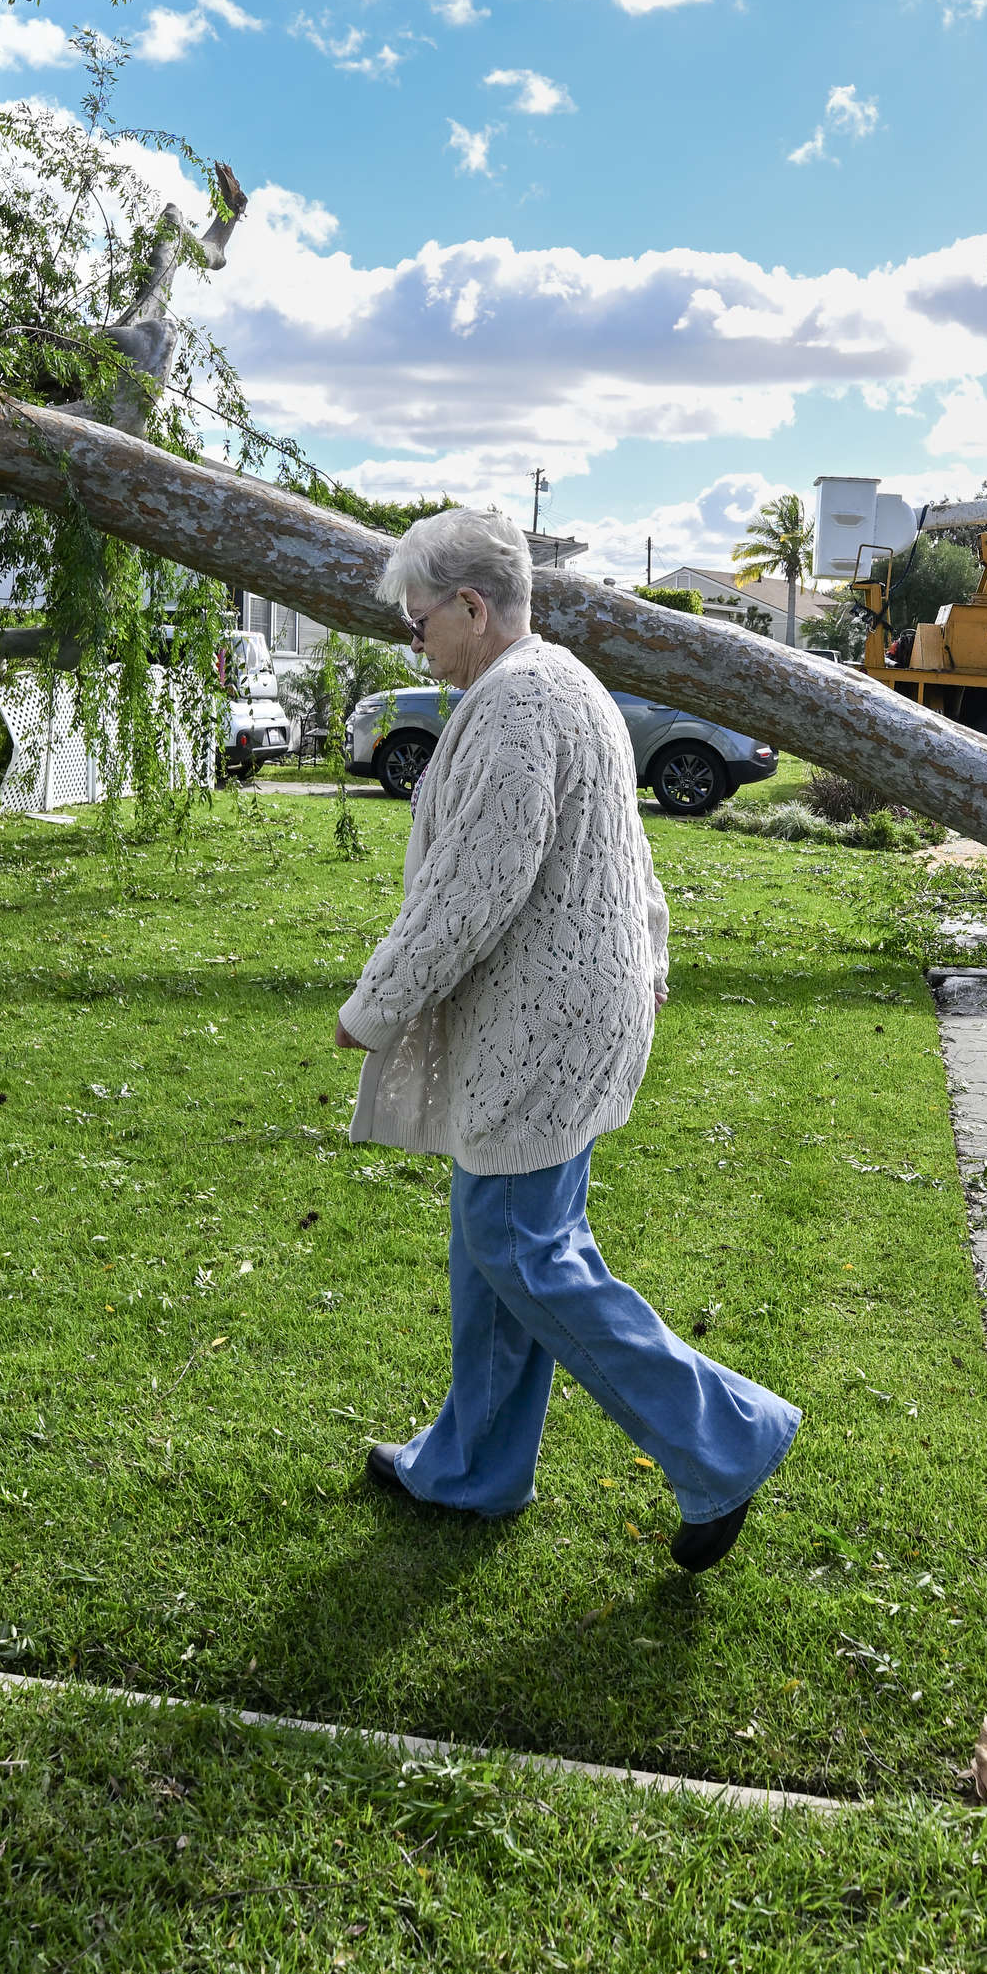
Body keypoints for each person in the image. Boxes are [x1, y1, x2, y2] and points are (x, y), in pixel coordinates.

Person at [334, 507, 801, 1570]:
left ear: (470, 604)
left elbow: (470, 891)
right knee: (497, 1242)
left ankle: (726, 1437)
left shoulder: (515, 705)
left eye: (420, 625)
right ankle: (472, 1469)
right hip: (577, 1010)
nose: (418, 646)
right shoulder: (559, 679)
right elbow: (628, 858)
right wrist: (654, 959)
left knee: (520, 1247)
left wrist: (372, 1006)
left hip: (544, 1027)